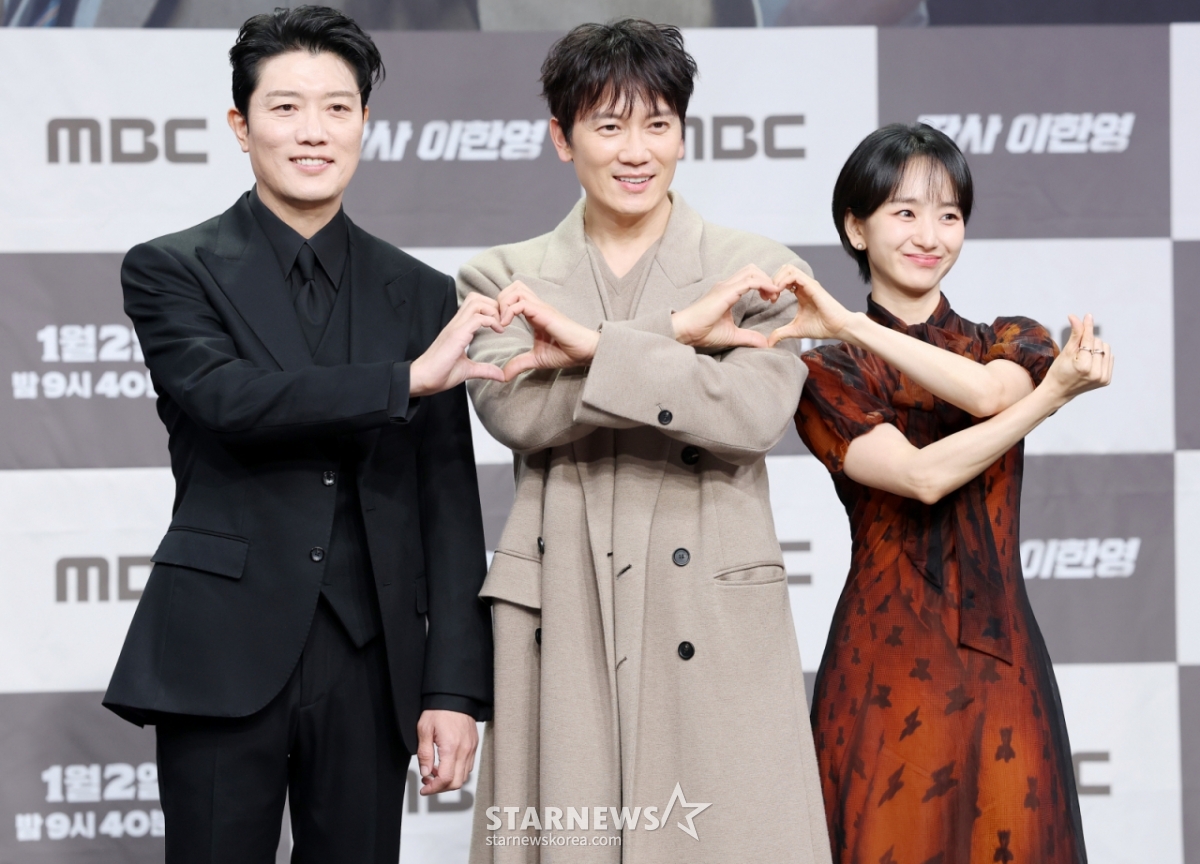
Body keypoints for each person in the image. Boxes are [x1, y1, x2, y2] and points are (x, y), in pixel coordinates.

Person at [102, 8, 500, 862]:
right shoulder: (172, 268)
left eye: (336, 108)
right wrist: (403, 381)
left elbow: (447, 501)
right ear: (241, 125)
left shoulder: (420, 292)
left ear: (364, 123)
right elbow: (226, 399)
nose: (313, 132)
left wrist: (455, 688)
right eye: (285, 108)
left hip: (372, 660)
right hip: (221, 649)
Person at [458, 19, 831, 863]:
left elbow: (750, 414)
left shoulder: (755, 269)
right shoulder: (501, 277)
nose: (637, 151)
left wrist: (589, 351)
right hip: (564, 599)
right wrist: (681, 333)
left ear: (683, 135)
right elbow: (518, 412)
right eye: (609, 125)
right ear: (562, 138)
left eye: (658, 124)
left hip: (709, 601)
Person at [767, 123, 1109, 864]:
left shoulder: (1012, 338)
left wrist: (1035, 391)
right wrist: (1052, 399)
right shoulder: (829, 372)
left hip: (1003, 658)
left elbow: (987, 396)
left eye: (949, 214)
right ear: (856, 228)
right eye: (905, 212)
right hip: (885, 662)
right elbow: (922, 478)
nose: (930, 235)